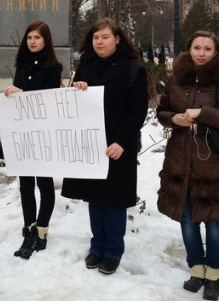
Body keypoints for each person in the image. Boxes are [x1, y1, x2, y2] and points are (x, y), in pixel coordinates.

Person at [156, 31, 219, 301]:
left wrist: (203, 113)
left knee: (214, 223)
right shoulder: (176, 79)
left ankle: (214, 277)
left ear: (216, 52)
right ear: (189, 49)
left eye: (208, 48)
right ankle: (196, 270)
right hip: (180, 159)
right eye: (197, 47)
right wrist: (175, 119)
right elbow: (161, 112)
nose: (202, 53)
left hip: (212, 162)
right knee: (186, 219)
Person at [61, 18, 148, 275]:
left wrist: (121, 142)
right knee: (94, 199)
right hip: (90, 143)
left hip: (119, 145)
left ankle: (113, 251)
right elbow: (75, 105)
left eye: (105, 37)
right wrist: (77, 89)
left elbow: (138, 112)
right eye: (96, 37)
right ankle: (96, 246)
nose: (99, 42)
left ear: (117, 39)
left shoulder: (133, 69)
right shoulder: (85, 67)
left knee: (114, 201)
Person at [3, 21, 63, 259]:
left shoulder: (54, 67)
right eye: (29, 38)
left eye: (37, 37)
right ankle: (29, 228)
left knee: (44, 184)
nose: (32, 41)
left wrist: (22, 94)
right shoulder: (22, 63)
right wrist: (11, 93)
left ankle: (42, 230)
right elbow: (18, 95)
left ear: (46, 40)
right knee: (25, 185)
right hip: (23, 134)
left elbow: (48, 99)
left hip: (43, 133)